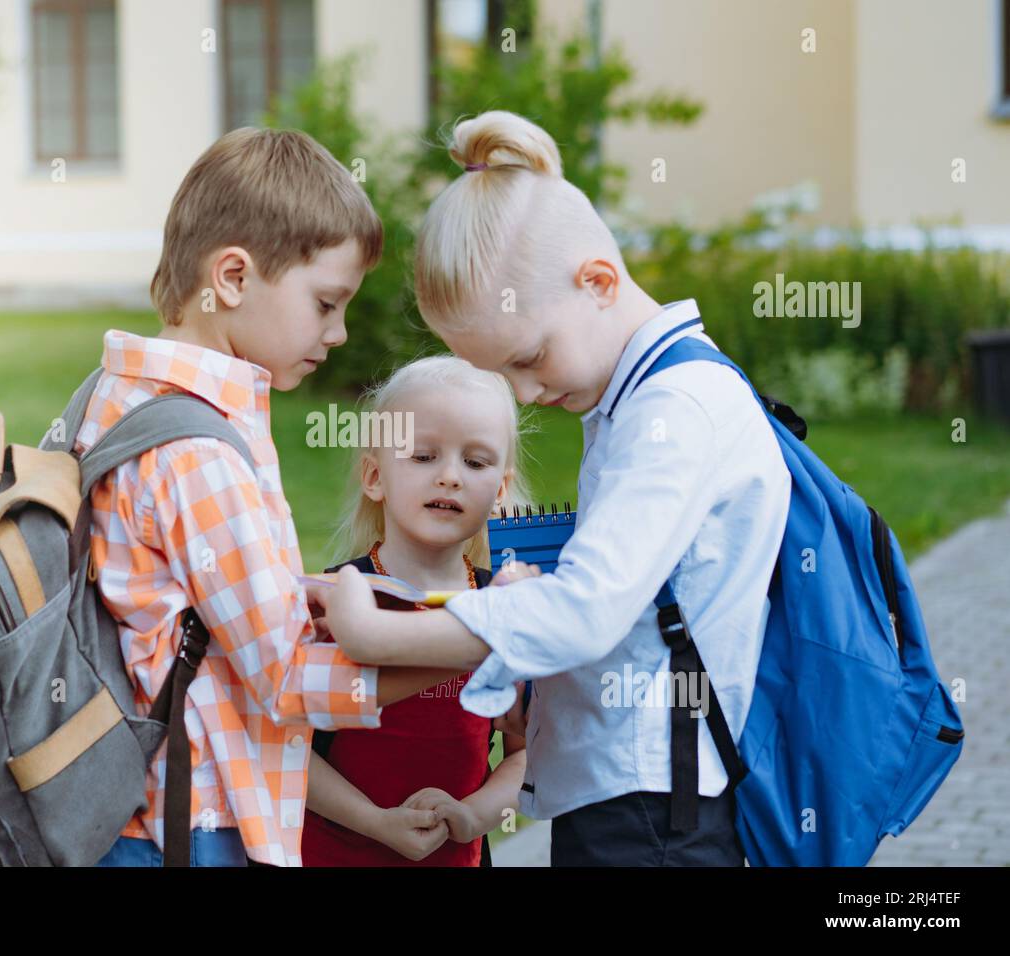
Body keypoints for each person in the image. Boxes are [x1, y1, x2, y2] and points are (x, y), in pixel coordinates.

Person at [313, 111, 792, 866]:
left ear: (598, 281)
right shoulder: (637, 403)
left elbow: (589, 610)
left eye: (530, 357)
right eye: (505, 373)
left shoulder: (674, 411)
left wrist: (378, 634)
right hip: (631, 800)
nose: (526, 393)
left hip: (653, 814)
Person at [87, 127, 468, 867]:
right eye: (326, 303)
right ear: (231, 277)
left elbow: (178, 597)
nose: (339, 331)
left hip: (124, 809)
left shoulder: (116, 393)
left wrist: (299, 595)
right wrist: (479, 643)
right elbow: (288, 682)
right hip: (188, 821)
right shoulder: (197, 452)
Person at [302, 356, 529, 866]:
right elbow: (288, 747)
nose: (449, 477)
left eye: (474, 463)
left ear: (500, 492)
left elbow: (524, 754)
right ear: (374, 476)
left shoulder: (503, 609)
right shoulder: (337, 598)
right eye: (424, 456)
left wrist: (472, 815)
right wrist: (376, 822)